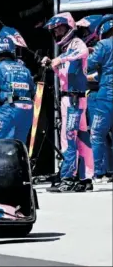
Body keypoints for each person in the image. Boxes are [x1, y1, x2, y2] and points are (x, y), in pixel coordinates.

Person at [42, 12, 94, 192]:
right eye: (55, 31)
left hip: (73, 99)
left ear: (69, 27)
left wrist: (60, 59)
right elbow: (64, 77)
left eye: (60, 29)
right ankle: (86, 178)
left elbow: (83, 51)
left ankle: (69, 178)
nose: (57, 33)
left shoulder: (76, 44)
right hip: (70, 98)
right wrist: (53, 65)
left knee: (69, 138)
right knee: (81, 138)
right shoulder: (66, 50)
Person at [0, 37, 35, 142]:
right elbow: (33, 92)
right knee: (18, 144)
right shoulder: (25, 69)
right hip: (28, 109)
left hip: (11, 107)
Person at [87, 15, 113, 183]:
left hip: (107, 94)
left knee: (97, 134)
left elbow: (89, 65)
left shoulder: (103, 44)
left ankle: (98, 173)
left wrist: (87, 53)